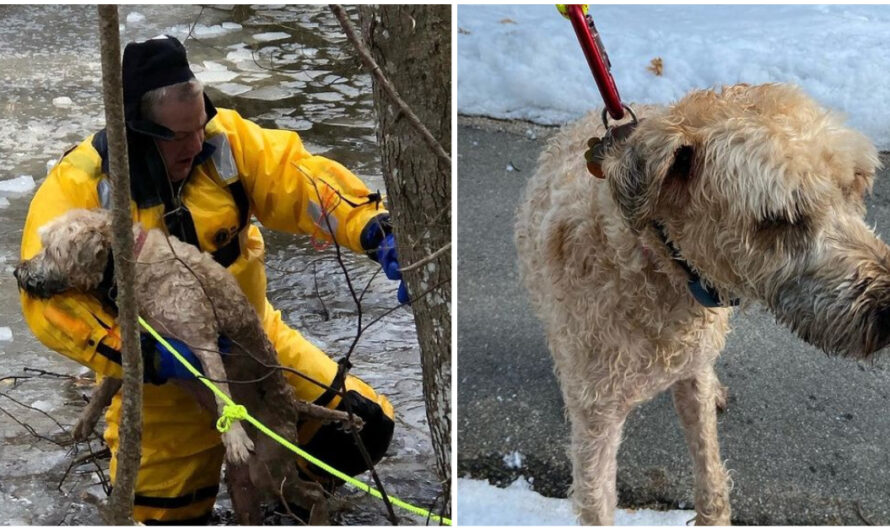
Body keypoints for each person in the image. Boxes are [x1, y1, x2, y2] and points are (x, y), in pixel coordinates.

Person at [19, 35, 404, 524]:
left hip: (253, 346)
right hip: (162, 385)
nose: (197, 143)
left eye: (200, 126)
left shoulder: (227, 139)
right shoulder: (79, 184)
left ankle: (281, 491)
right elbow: (46, 303)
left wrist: (375, 228)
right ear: (135, 131)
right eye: (179, 136)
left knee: (365, 428)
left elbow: (300, 179)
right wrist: (138, 351)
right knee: (162, 519)